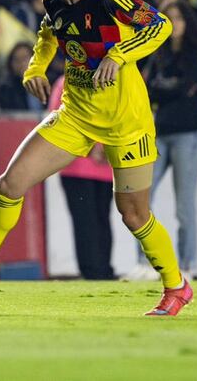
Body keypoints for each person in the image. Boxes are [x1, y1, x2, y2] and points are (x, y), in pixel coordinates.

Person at [0, 0, 194, 316]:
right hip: (76, 115)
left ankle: (176, 286)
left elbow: (160, 25)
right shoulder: (53, 2)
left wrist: (118, 55)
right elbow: (49, 35)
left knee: (133, 213)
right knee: (10, 182)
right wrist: (35, 68)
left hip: (126, 121)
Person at [131, 0, 197, 278]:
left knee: (184, 205)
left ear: (188, 22)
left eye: (179, 17)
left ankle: (187, 265)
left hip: (188, 135)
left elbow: (183, 87)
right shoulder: (157, 53)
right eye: (170, 18)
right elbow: (149, 89)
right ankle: (145, 263)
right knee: (140, 199)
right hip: (160, 133)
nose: (175, 24)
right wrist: (171, 89)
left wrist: (165, 88)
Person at [48, 74, 114, 280]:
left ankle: (96, 271)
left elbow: (55, 119)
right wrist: (102, 146)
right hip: (88, 165)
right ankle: (99, 271)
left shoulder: (65, 81)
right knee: (97, 220)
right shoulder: (111, 80)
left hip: (79, 165)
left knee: (91, 220)